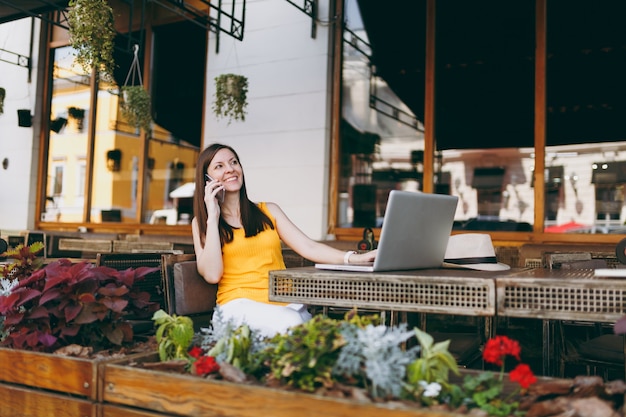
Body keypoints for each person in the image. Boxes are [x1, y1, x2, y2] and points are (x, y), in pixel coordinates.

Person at [192, 143, 376, 337]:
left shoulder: (268, 211)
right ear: (207, 179)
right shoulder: (204, 223)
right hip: (237, 307)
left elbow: (308, 246)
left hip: (283, 301)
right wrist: (212, 216)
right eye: (219, 166)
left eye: (234, 162)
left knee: (324, 333)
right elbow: (212, 275)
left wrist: (354, 258)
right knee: (295, 325)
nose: (230, 169)